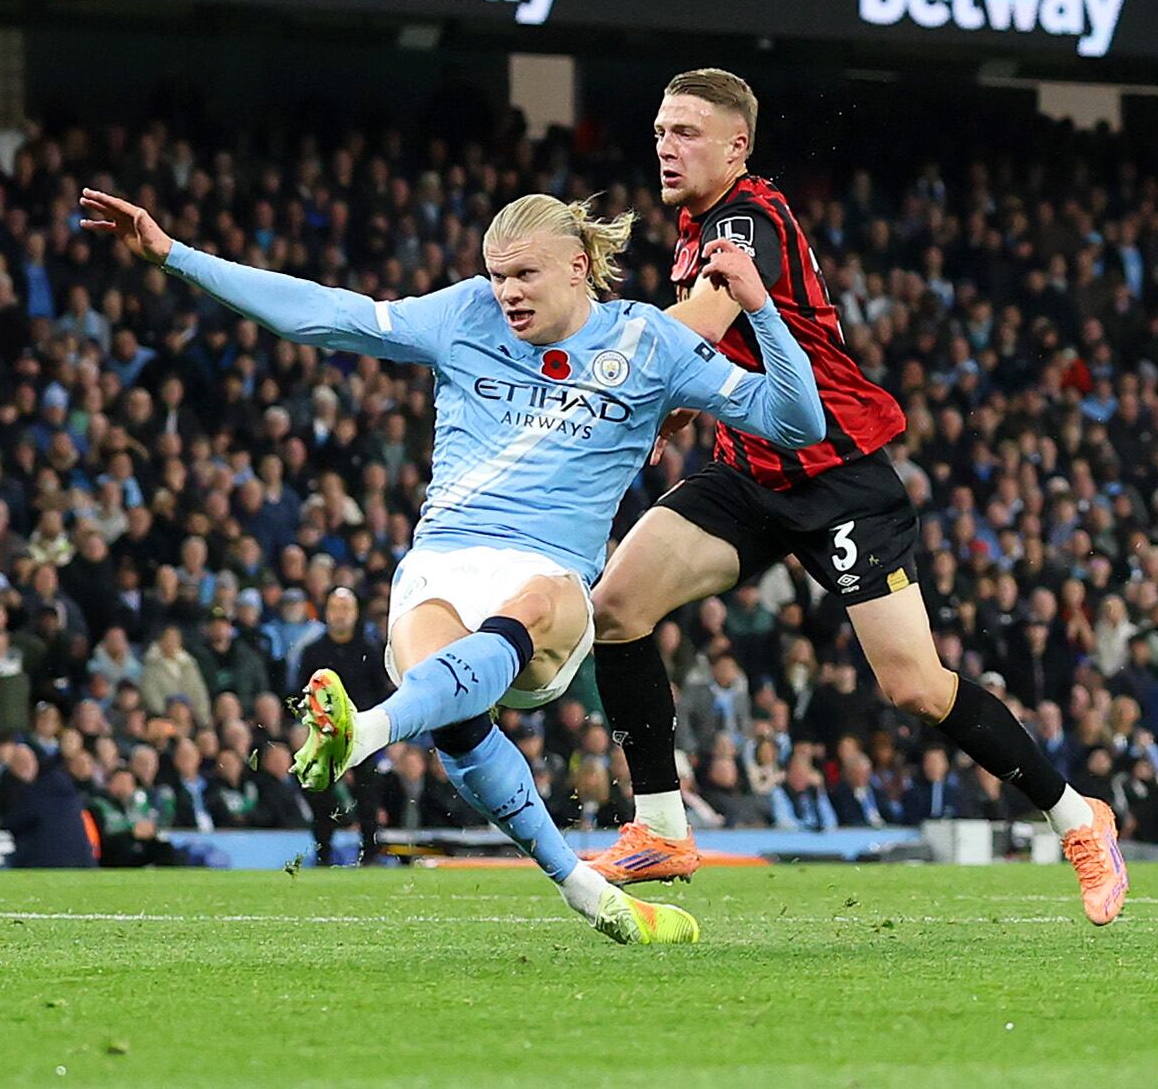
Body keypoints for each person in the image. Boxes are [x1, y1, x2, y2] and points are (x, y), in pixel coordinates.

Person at [81, 180, 828, 946]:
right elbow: (325, 314)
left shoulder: (649, 343)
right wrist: (176, 256)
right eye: (498, 274)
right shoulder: (465, 312)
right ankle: (583, 889)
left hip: (550, 578)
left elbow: (799, 424)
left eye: (524, 275)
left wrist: (762, 311)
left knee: (538, 601)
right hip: (441, 563)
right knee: (456, 719)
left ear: (578, 266)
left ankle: (364, 731)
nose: (506, 292)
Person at [585, 69, 1127, 926]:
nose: (665, 143)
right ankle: (660, 826)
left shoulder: (745, 220)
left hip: (837, 481)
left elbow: (698, 328)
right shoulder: (696, 233)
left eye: (687, 130)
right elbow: (715, 350)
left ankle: (1077, 816)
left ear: (737, 146)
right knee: (614, 607)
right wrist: (684, 410)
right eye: (660, 128)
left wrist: (593, 358)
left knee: (915, 687)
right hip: (749, 472)